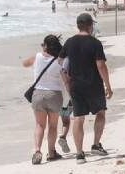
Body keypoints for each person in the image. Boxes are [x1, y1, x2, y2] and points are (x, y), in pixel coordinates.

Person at [61, 13, 112, 164]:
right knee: (100, 113)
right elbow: (101, 65)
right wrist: (108, 86)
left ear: (78, 26)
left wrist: (68, 80)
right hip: (94, 84)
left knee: (78, 118)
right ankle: (95, 144)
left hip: (75, 86)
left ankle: (79, 154)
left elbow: (60, 61)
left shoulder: (69, 42)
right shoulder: (95, 43)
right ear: (90, 26)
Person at [21, 35, 67, 163]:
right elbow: (66, 78)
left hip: (38, 95)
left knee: (39, 125)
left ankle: (37, 151)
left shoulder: (37, 57)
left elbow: (24, 64)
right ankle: (51, 153)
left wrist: (40, 53)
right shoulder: (59, 60)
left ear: (45, 46)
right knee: (53, 126)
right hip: (54, 95)